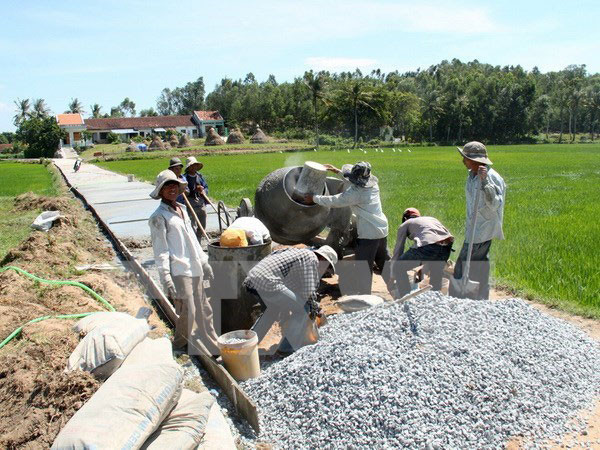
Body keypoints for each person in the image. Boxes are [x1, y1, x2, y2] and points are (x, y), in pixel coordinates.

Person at [148, 169, 219, 354]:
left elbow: (193, 240)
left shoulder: (183, 209)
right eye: (167, 186)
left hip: (195, 266)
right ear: (161, 191)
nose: (172, 189)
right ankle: (179, 345)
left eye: (174, 185)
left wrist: (204, 262)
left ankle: (213, 345)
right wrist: (166, 277)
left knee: (204, 309)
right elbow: (161, 250)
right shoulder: (158, 217)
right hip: (180, 270)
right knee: (189, 310)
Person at [304, 161, 390, 295]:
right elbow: (353, 182)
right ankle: (398, 289)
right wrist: (337, 171)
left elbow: (335, 200)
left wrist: (314, 198)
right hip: (382, 229)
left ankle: (364, 297)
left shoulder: (356, 193)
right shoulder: (373, 185)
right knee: (383, 261)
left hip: (369, 234)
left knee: (363, 268)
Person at [242, 245, 338, 353]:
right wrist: (316, 309)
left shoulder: (299, 254)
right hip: (268, 282)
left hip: (253, 279)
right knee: (303, 309)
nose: (326, 270)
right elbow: (308, 293)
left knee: (272, 311)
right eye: (328, 267)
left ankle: (248, 345)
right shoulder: (312, 259)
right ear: (323, 259)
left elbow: (293, 290)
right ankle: (286, 349)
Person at [450, 141, 506, 300]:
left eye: (466, 158)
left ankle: (458, 298)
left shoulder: (492, 177)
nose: (463, 161)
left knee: (463, 266)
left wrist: (485, 182)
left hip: (482, 228)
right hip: (475, 227)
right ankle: (479, 297)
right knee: (479, 263)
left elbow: (495, 204)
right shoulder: (472, 175)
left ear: (475, 161)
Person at [389, 208, 454, 298]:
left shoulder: (406, 224)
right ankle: (435, 299)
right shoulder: (431, 219)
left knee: (398, 266)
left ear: (405, 218)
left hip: (429, 245)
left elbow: (398, 250)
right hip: (447, 245)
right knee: (436, 271)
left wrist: (392, 276)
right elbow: (436, 246)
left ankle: (406, 298)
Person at [184, 157, 209, 232]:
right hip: (190, 202)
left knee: (203, 219)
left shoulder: (199, 176)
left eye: (195, 165)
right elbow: (185, 191)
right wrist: (194, 190)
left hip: (200, 201)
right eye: (191, 166)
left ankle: (200, 235)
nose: (193, 167)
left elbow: (206, 186)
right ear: (188, 167)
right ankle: (193, 237)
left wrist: (203, 191)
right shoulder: (185, 178)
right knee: (191, 222)